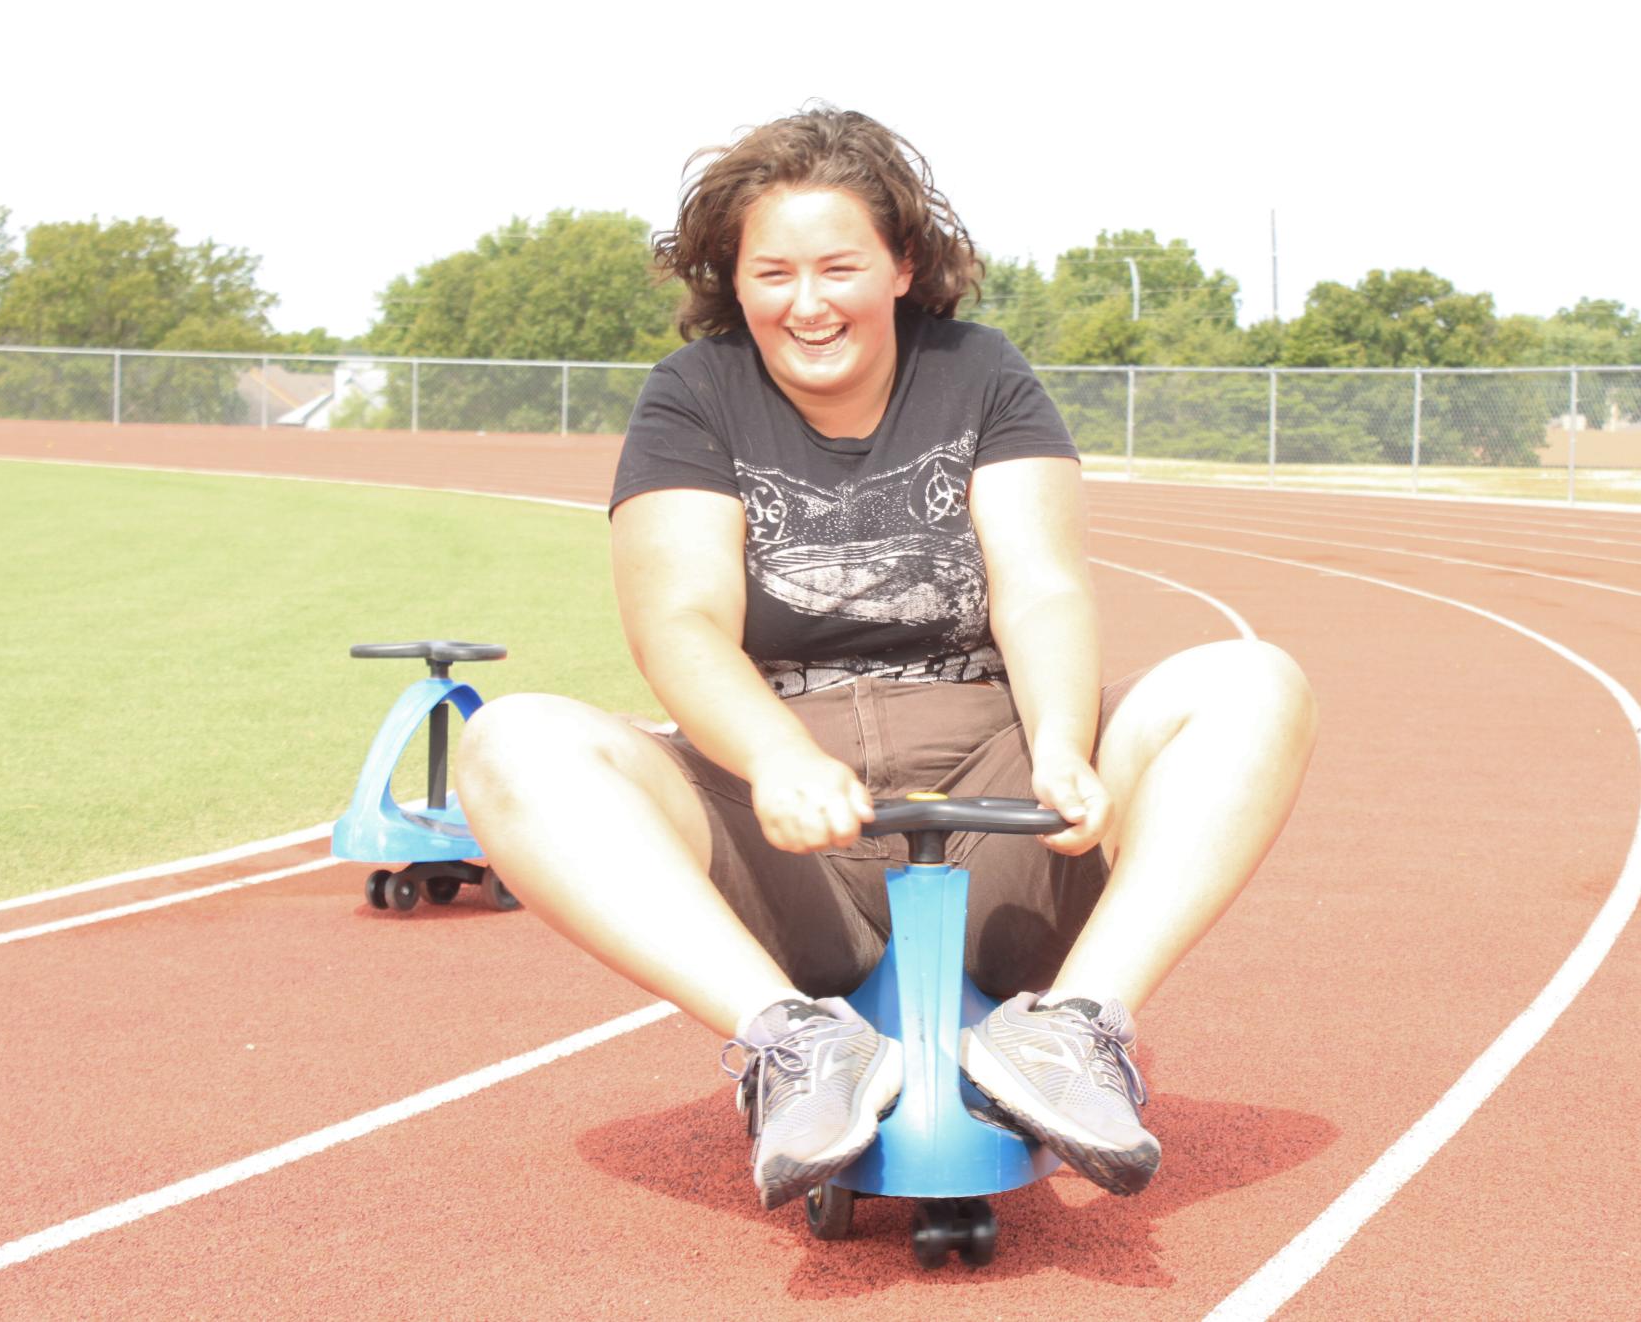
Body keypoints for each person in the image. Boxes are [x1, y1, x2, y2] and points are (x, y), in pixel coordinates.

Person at [456, 105, 1317, 1213]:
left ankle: (1076, 1029)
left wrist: (1060, 746)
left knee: (1255, 682)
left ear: (903, 264)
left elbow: (1042, 582)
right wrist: (772, 756)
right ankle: (791, 1041)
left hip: (998, 799)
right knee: (510, 739)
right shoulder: (692, 394)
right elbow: (679, 618)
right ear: (734, 279)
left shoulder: (982, 374)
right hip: (787, 826)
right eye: (771, 272)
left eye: (838, 266)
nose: (806, 303)